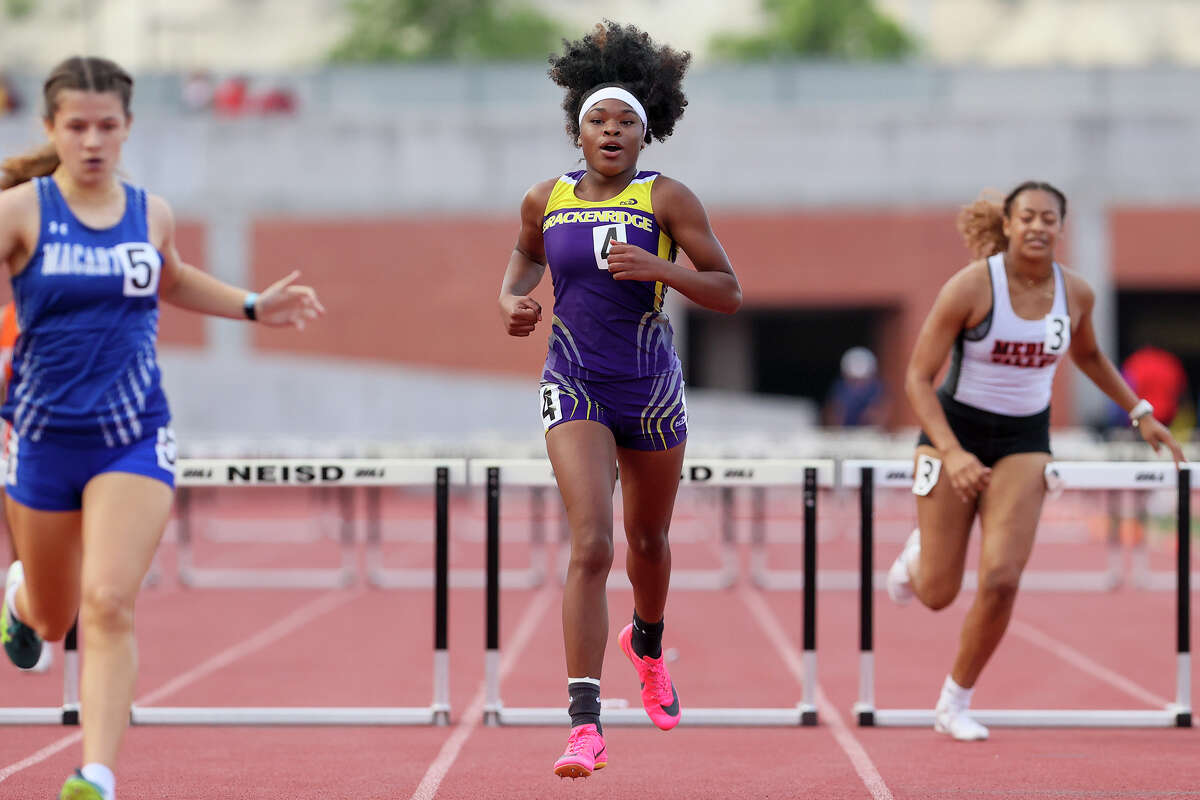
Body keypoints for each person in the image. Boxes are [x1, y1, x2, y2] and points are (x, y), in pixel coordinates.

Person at [0, 56, 324, 800]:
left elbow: (169, 275)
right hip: (43, 441)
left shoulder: (151, 213)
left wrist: (251, 305)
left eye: (106, 127)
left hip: (133, 435)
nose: (91, 141)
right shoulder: (21, 212)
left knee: (108, 600)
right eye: (75, 126)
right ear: (50, 128)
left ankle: (97, 773)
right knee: (52, 618)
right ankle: (20, 600)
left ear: (128, 129)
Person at [497, 22, 741, 779]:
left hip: (651, 389)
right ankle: (584, 726)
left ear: (646, 132)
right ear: (578, 127)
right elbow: (521, 263)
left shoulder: (666, 198)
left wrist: (659, 271)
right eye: (598, 120)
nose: (611, 131)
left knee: (648, 543)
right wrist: (510, 300)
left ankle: (648, 641)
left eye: (625, 121)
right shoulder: (547, 196)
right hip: (574, 381)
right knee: (592, 544)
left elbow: (729, 291)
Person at [887, 180, 1183, 741]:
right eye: (1028, 217)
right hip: (954, 434)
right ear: (1008, 224)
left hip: (1026, 440)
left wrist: (1141, 412)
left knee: (1000, 579)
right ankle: (916, 559)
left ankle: (955, 701)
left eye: (1050, 218)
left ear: (1061, 229)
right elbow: (917, 379)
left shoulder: (1076, 294)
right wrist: (951, 454)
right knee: (937, 594)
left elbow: (1090, 355)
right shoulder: (972, 286)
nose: (1039, 227)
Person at [824, 346, 887, 427]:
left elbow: (881, 413)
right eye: (854, 380)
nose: (858, 385)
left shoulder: (876, 389)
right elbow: (831, 413)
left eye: (861, 380)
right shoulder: (840, 388)